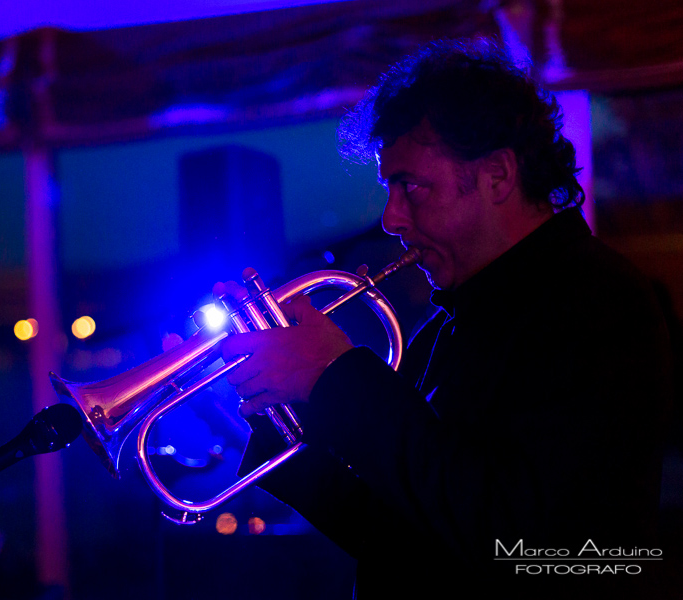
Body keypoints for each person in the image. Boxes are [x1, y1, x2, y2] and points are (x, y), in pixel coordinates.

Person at [222, 39, 673, 598]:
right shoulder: (453, 323)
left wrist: (334, 372)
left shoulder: (599, 302)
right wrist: (272, 413)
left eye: (412, 186)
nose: (391, 218)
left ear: (498, 176)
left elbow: (525, 545)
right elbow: (403, 537)